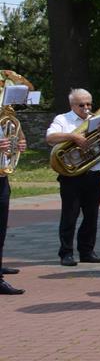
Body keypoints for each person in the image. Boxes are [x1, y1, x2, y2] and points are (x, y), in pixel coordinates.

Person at [45, 88, 100, 267]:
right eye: (81, 105)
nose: (86, 108)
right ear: (72, 105)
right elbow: (50, 137)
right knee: (70, 215)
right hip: (71, 175)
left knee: (91, 215)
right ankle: (66, 253)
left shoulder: (97, 120)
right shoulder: (63, 119)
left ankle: (87, 251)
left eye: (89, 104)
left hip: (92, 173)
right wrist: (73, 137)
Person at [0, 116, 21, 296]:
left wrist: (15, 148)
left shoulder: (3, 122)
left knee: (0, 231)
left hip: (1, 179)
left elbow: (7, 150)